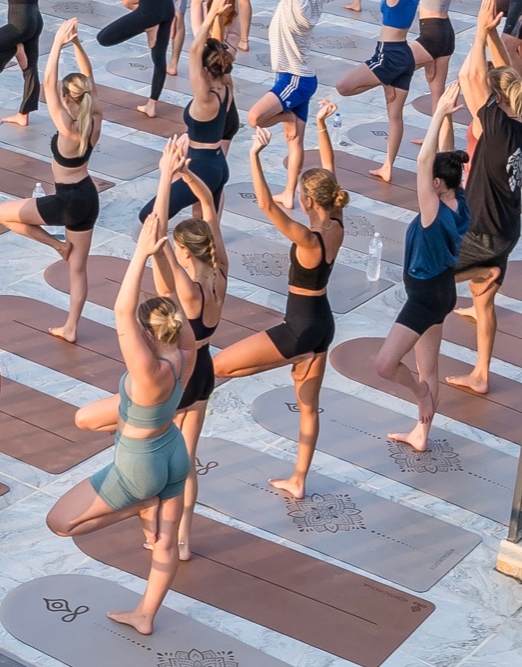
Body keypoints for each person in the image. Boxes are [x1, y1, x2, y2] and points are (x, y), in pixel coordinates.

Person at [46, 213, 190, 637]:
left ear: (147, 333)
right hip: (173, 451)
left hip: (138, 466)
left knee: (59, 523)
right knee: (164, 543)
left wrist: (140, 256)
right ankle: (145, 615)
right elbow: (173, 300)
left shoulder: (147, 371)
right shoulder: (187, 353)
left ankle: (140, 506)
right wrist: (158, 250)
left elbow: (122, 310)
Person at [212, 121, 345, 499]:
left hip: (299, 327)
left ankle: (171, 409)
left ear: (307, 200)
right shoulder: (337, 224)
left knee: (219, 366)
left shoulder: (308, 238)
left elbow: (268, 205)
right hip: (323, 324)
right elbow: (331, 170)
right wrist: (321, 130)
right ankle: (298, 480)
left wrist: (253, 156)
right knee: (307, 408)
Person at [442, 0, 522, 398]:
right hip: (505, 226)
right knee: (483, 303)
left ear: (495, 101)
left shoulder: (496, 125)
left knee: (428, 279)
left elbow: (469, 78)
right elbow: (507, 71)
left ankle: (481, 274)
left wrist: (480, 32)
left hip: (482, 230)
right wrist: (494, 36)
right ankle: (481, 372)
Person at [0, 20, 100, 342]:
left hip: (66, 200)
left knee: (2, 214)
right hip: (88, 197)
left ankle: (56, 246)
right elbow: (89, 82)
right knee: (79, 271)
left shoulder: (68, 128)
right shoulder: (95, 118)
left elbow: (47, 86)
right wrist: (78, 45)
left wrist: (56, 45)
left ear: (69, 99)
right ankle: (71, 327)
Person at [375, 88, 468, 453]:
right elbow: (443, 156)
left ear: (435, 185)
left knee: (386, 364)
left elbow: (423, 160)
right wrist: (445, 115)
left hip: (426, 297)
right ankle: (421, 432)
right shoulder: (459, 200)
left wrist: (437, 115)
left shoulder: (433, 214)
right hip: (442, 291)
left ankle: (421, 396)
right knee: (427, 365)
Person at [149, 148, 225, 563]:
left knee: (162, 456)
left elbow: (156, 230)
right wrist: (188, 177)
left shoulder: (186, 286)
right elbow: (210, 207)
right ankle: (183, 540)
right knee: (188, 459)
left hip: (180, 372)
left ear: (185, 252)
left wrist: (166, 176)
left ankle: (159, 531)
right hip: (206, 369)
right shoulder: (220, 272)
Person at [142, 0, 236, 222]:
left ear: (204, 71)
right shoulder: (227, 86)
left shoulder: (206, 98)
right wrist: (215, 14)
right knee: (205, 224)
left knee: (149, 217)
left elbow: (194, 51)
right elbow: (210, 51)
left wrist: (212, 16)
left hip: (202, 167)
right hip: (216, 165)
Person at [244, 0, 323, 205]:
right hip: (301, 77)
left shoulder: (297, 3)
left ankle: (287, 115)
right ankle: (290, 194)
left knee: (255, 118)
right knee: (296, 142)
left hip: (293, 79)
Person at [335, 0, 422, 185]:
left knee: (343, 87)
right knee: (395, 116)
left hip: (389, 55)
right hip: (405, 54)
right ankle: (387, 166)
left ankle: (381, 80)